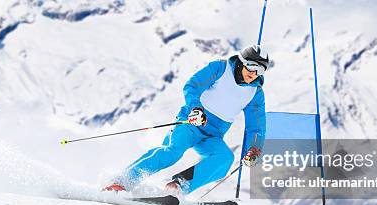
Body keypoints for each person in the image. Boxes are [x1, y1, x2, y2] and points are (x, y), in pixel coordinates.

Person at [104, 45, 268, 195]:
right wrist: (195, 109)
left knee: (224, 158)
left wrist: (253, 149)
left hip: (213, 135)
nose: (254, 74)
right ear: (242, 61)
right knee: (172, 151)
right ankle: (122, 181)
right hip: (193, 122)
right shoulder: (220, 68)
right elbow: (192, 85)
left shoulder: (255, 93)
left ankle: (178, 186)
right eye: (252, 67)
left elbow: (256, 127)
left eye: (260, 70)